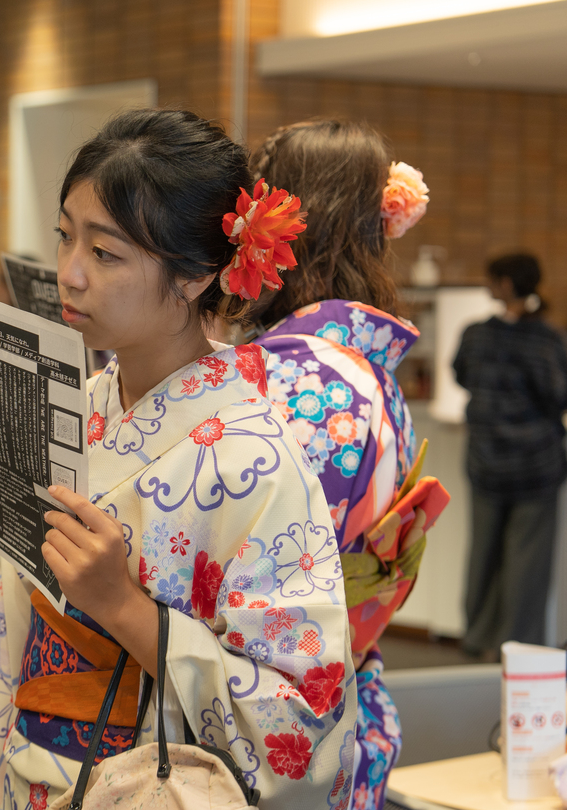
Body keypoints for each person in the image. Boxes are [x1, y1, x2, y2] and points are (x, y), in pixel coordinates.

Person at [0, 109, 356, 809]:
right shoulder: (76, 406)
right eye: (65, 239)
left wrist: (120, 604)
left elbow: (299, 714)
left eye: (106, 254)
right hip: (32, 766)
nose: (70, 274)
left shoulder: (256, 458)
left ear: (194, 276)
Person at [248, 120, 439, 810]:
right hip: (339, 686)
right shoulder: (353, 363)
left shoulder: (311, 377)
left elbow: (268, 570)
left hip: (283, 713)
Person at [455, 253, 567, 656]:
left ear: (505, 284)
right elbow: (558, 395)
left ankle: (477, 638)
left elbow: (461, 375)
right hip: (536, 466)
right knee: (527, 561)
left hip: (485, 463)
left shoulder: (476, 335)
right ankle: (516, 645)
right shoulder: (547, 339)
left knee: (482, 553)